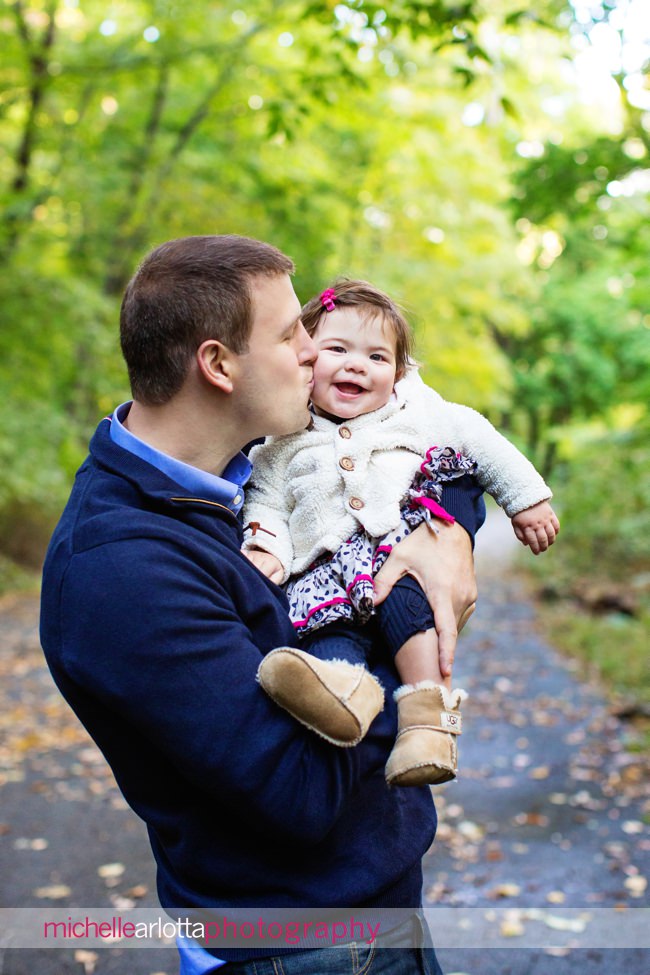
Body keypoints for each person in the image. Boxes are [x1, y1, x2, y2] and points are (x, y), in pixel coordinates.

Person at [40, 236, 485, 975]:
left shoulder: (228, 478)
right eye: (290, 334)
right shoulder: (122, 569)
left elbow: (422, 451)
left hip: (367, 917)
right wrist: (389, 616)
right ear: (218, 365)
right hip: (305, 949)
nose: (315, 350)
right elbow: (300, 793)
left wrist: (448, 536)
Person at [243, 279, 560, 789]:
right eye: (337, 349)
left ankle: (429, 725)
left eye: (377, 357)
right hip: (324, 574)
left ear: (398, 375)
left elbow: (479, 439)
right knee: (324, 634)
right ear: (305, 362)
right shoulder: (280, 442)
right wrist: (266, 548)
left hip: (401, 552)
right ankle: (345, 696)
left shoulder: (416, 415)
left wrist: (526, 499)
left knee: (414, 616)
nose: (356, 365)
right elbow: (267, 503)